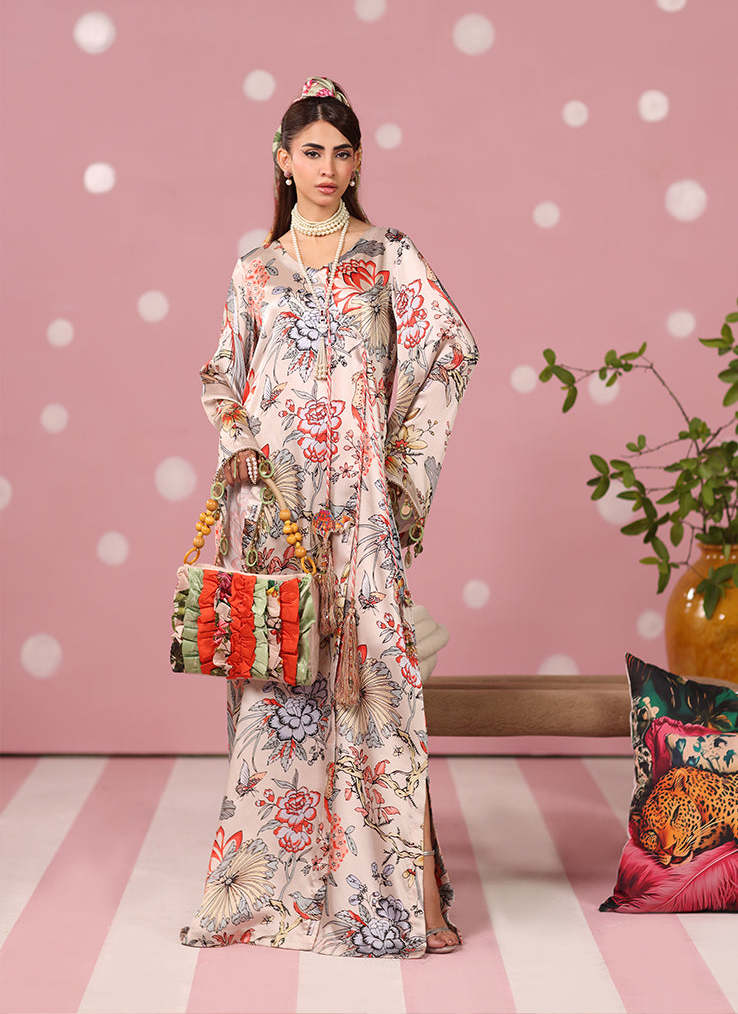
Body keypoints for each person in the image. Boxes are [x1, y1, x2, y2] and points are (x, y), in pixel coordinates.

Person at [180, 77, 479, 957]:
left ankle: (396, 902)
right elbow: (220, 375)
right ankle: (276, 895)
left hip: (358, 506)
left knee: (376, 685)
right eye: (311, 152)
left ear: (356, 164)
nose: (327, 168)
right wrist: (239, 439)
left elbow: (451, 347)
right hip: (275, 508)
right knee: (279, 693)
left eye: (342, 153)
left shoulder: (387, 255)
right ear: (283, 159)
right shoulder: (255, 269)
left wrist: (397, 475)